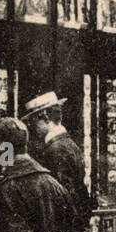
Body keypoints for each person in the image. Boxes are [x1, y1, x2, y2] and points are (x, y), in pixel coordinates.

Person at [22, 91, 92, 221]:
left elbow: (62, 198)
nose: (32, 127)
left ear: (46, 117)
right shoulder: (69, 144)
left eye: (34, 121)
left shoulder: (55, 150)